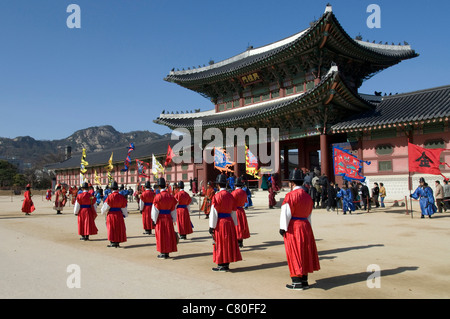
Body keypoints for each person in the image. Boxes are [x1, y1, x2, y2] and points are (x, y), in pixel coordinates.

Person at [280, 169, 320, 290]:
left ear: (292, 183)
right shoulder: (307, 197)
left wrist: (283, 228)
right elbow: (309, 215)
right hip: (306, 225)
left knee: (294, 252)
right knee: (305, 252)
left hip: (294, 226)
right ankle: (304, 280)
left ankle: (296, 281)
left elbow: (285, 213)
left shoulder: (290, 196)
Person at [209, 173, 242, 272]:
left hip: (220, 222)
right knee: (228, 243)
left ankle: (221, 264)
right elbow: (233, 211)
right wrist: (235, 223)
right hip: (229, 221)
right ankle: (226, 263)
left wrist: (211, 226)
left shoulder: (216, 196)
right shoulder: (231, 196)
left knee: (220, 243)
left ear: (218, 185)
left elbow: (213, 213)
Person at [151, 177, 178, 259]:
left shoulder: (158, 197)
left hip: (160, 218)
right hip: (168, 218)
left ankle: (162, 252)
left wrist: (154, 220)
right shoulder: (171, 197)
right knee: (168, 235)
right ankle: (167, 252)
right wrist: (174, 219)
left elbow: (155, 210)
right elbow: (174, 209)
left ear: (159, 186)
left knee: (161, 235)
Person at [101, 181, 128, 247]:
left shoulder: (110, 197)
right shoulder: (121, 197)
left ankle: (112, 242)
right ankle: (117, 242)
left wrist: (103, 212)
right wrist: (125, 214)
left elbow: (105, 207)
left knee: (112, 228)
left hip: (111, 214)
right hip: (119, 214)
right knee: (118, 228)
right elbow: (124, 207)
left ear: (111, 189)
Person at [232, 177, 250, 248]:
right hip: (241, 210)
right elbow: (245, 201)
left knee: (236, 226)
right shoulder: (243, 192)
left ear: (235, 185)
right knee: (242, 226)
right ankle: (241, 242)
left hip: (235, 210)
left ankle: (237, 241)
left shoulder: (233, 193)